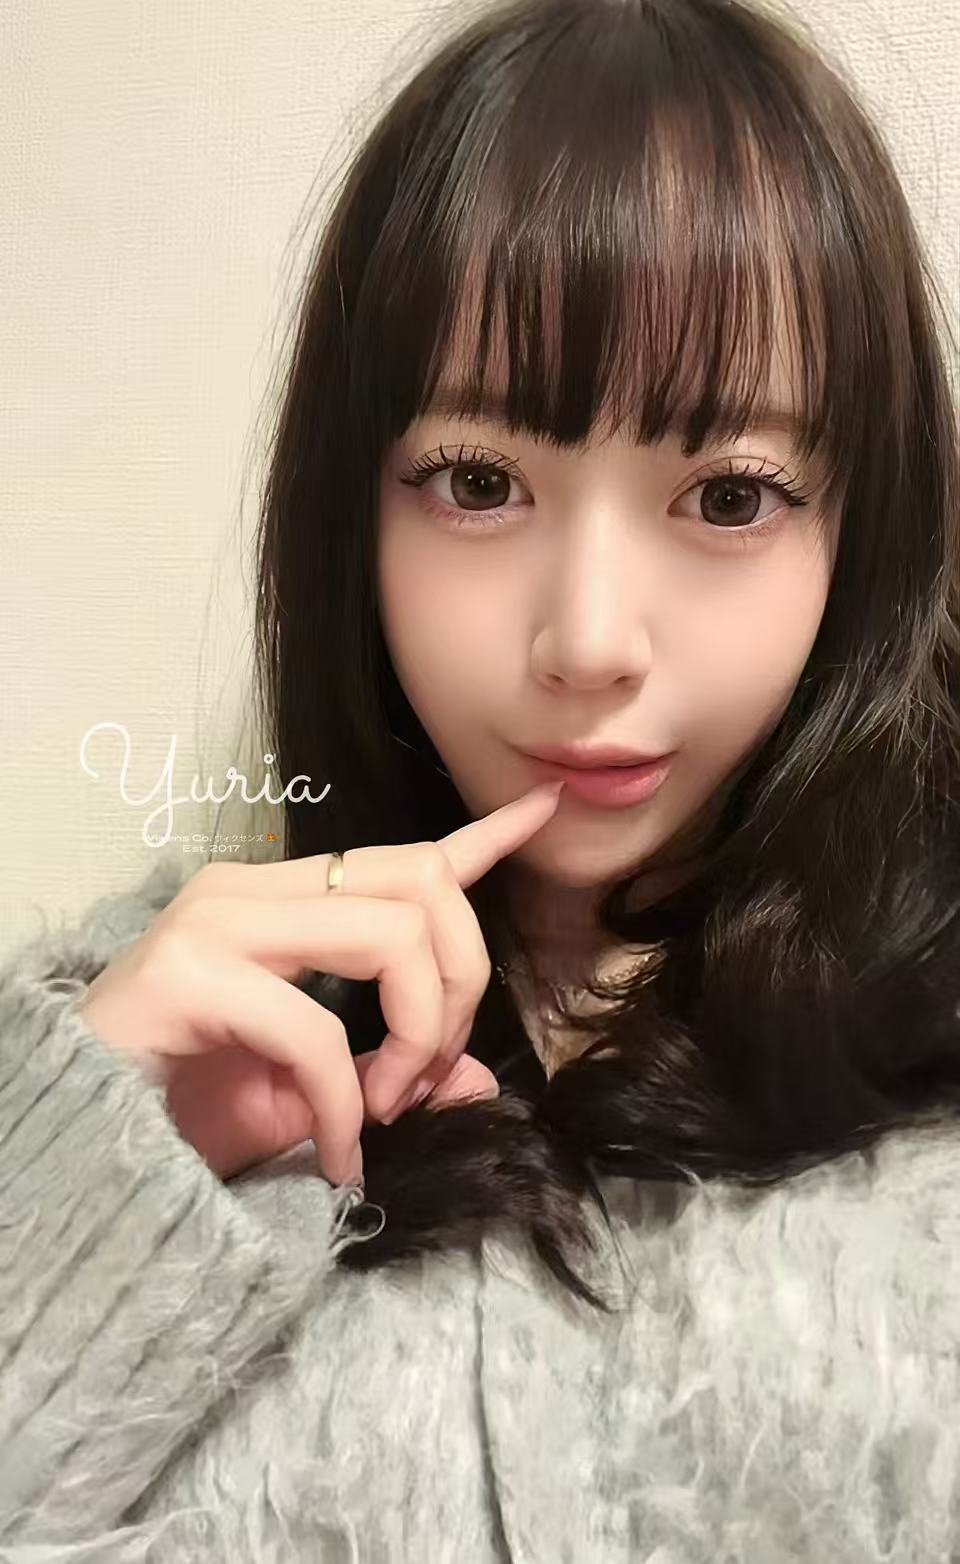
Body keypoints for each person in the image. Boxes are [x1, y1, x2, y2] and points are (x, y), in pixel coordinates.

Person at [2, 0, 959, 1556]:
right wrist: (83, 1198)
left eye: (729, 496)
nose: (589, 642)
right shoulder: (165, 1052)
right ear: (351, 514)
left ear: (865, 535)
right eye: (477, 480)